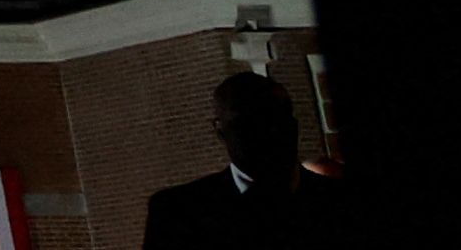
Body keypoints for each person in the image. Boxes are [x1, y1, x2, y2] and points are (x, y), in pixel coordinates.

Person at [142, 71, 346, 245]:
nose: (265, 132)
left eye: (275, 117)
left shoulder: (341, 202)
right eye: (246, 123)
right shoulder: (177, 213)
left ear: (293, 124)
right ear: (220, 130)